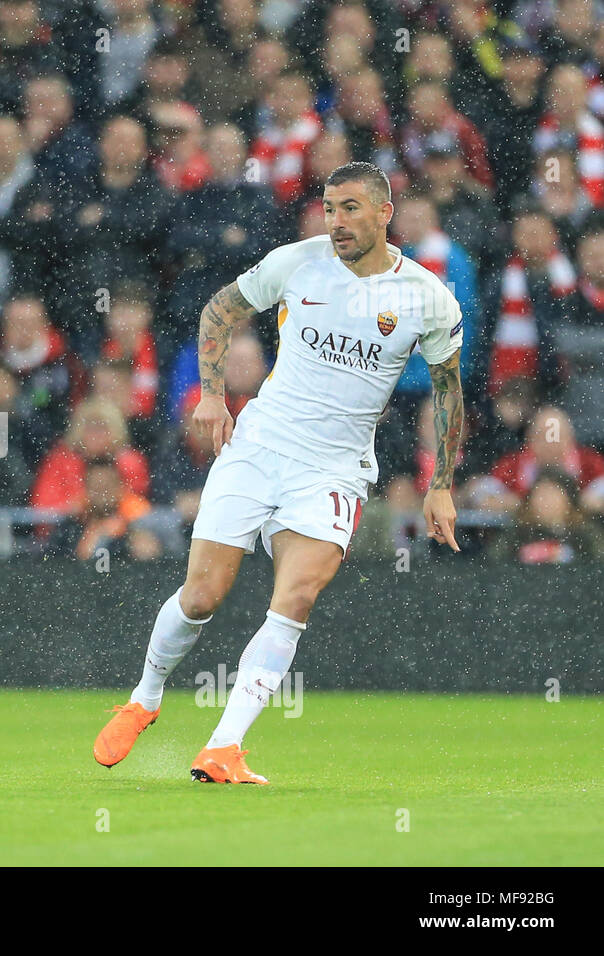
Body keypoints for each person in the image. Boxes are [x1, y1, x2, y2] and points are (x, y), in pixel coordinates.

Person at [93, 162, 465, 784]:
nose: (337, 221)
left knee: (293, 600)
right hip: (258, 447)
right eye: (329, 208)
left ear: (384, 212)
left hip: (335, 471)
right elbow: (218, 311)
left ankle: (223, 747)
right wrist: (211, 394)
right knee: (201, 597)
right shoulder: (298, 262)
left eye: (351, 209)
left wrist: (443, 482)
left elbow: (450, 392)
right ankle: (145, 697)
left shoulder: (428, 297)